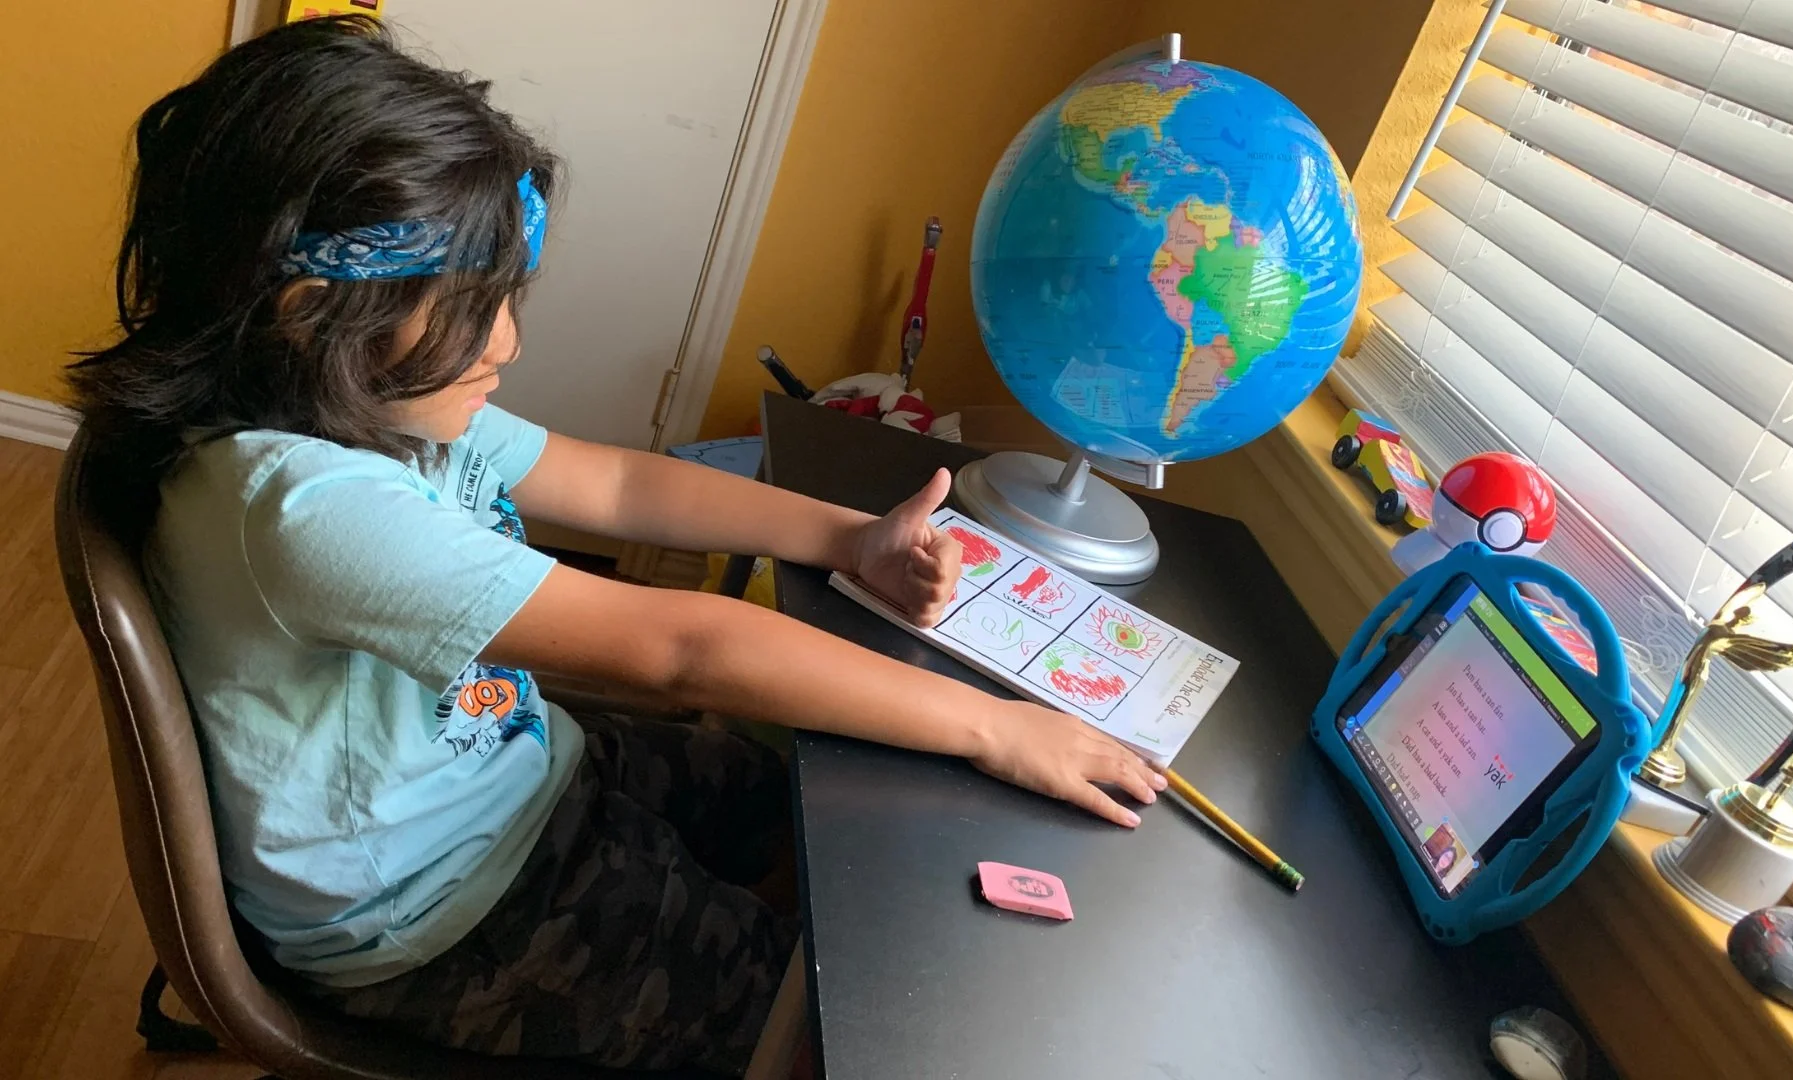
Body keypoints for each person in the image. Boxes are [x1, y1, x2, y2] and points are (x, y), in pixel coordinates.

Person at [68, 16, 1163, 1076]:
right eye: (473, 309)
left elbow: (621, 484)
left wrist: (852, 538)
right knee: (817, 1022)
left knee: (779, 800)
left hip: (511, 775)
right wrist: (996, 727)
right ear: (312, 314)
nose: (507, 342)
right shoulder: (299, 504)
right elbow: (682, 650)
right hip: (447, 913)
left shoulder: (363, 401)